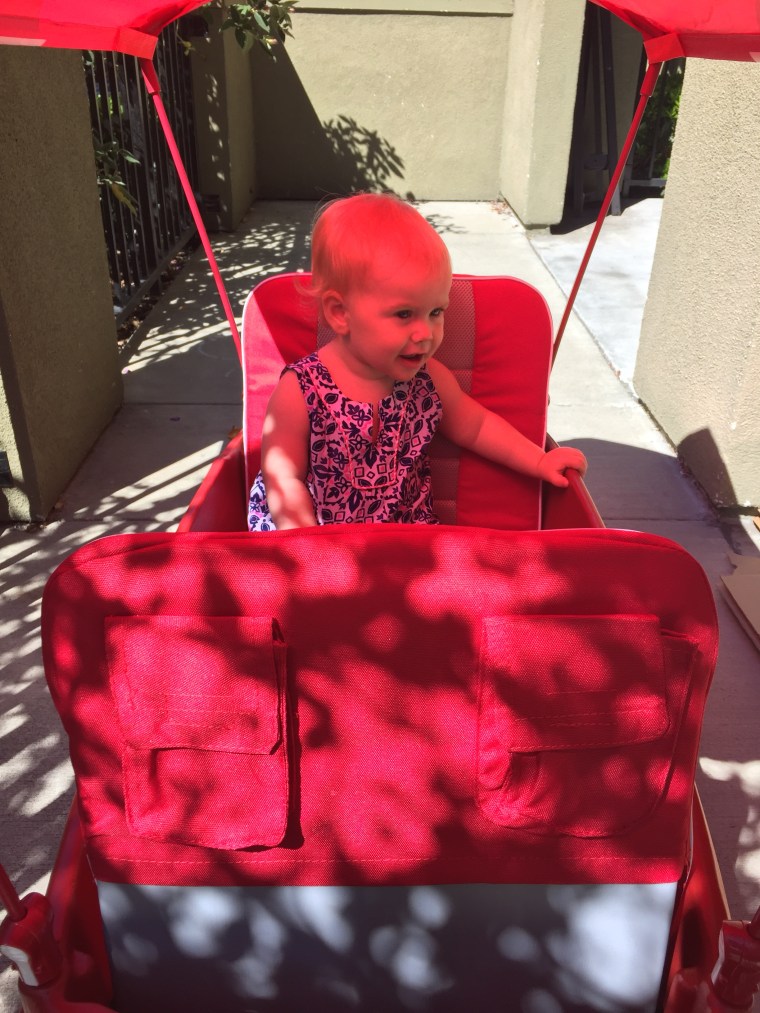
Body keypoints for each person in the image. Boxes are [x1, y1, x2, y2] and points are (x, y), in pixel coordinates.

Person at [248, 193, 587, 531]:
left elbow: (477, 426)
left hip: (406, 543)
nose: (426, 332)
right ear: (340, 313)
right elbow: (283, 476)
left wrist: (539, 460)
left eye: (436, 311)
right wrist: (310, 550)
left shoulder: (427, 381)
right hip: (316, 543)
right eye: (404, 314)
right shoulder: (301, 389)